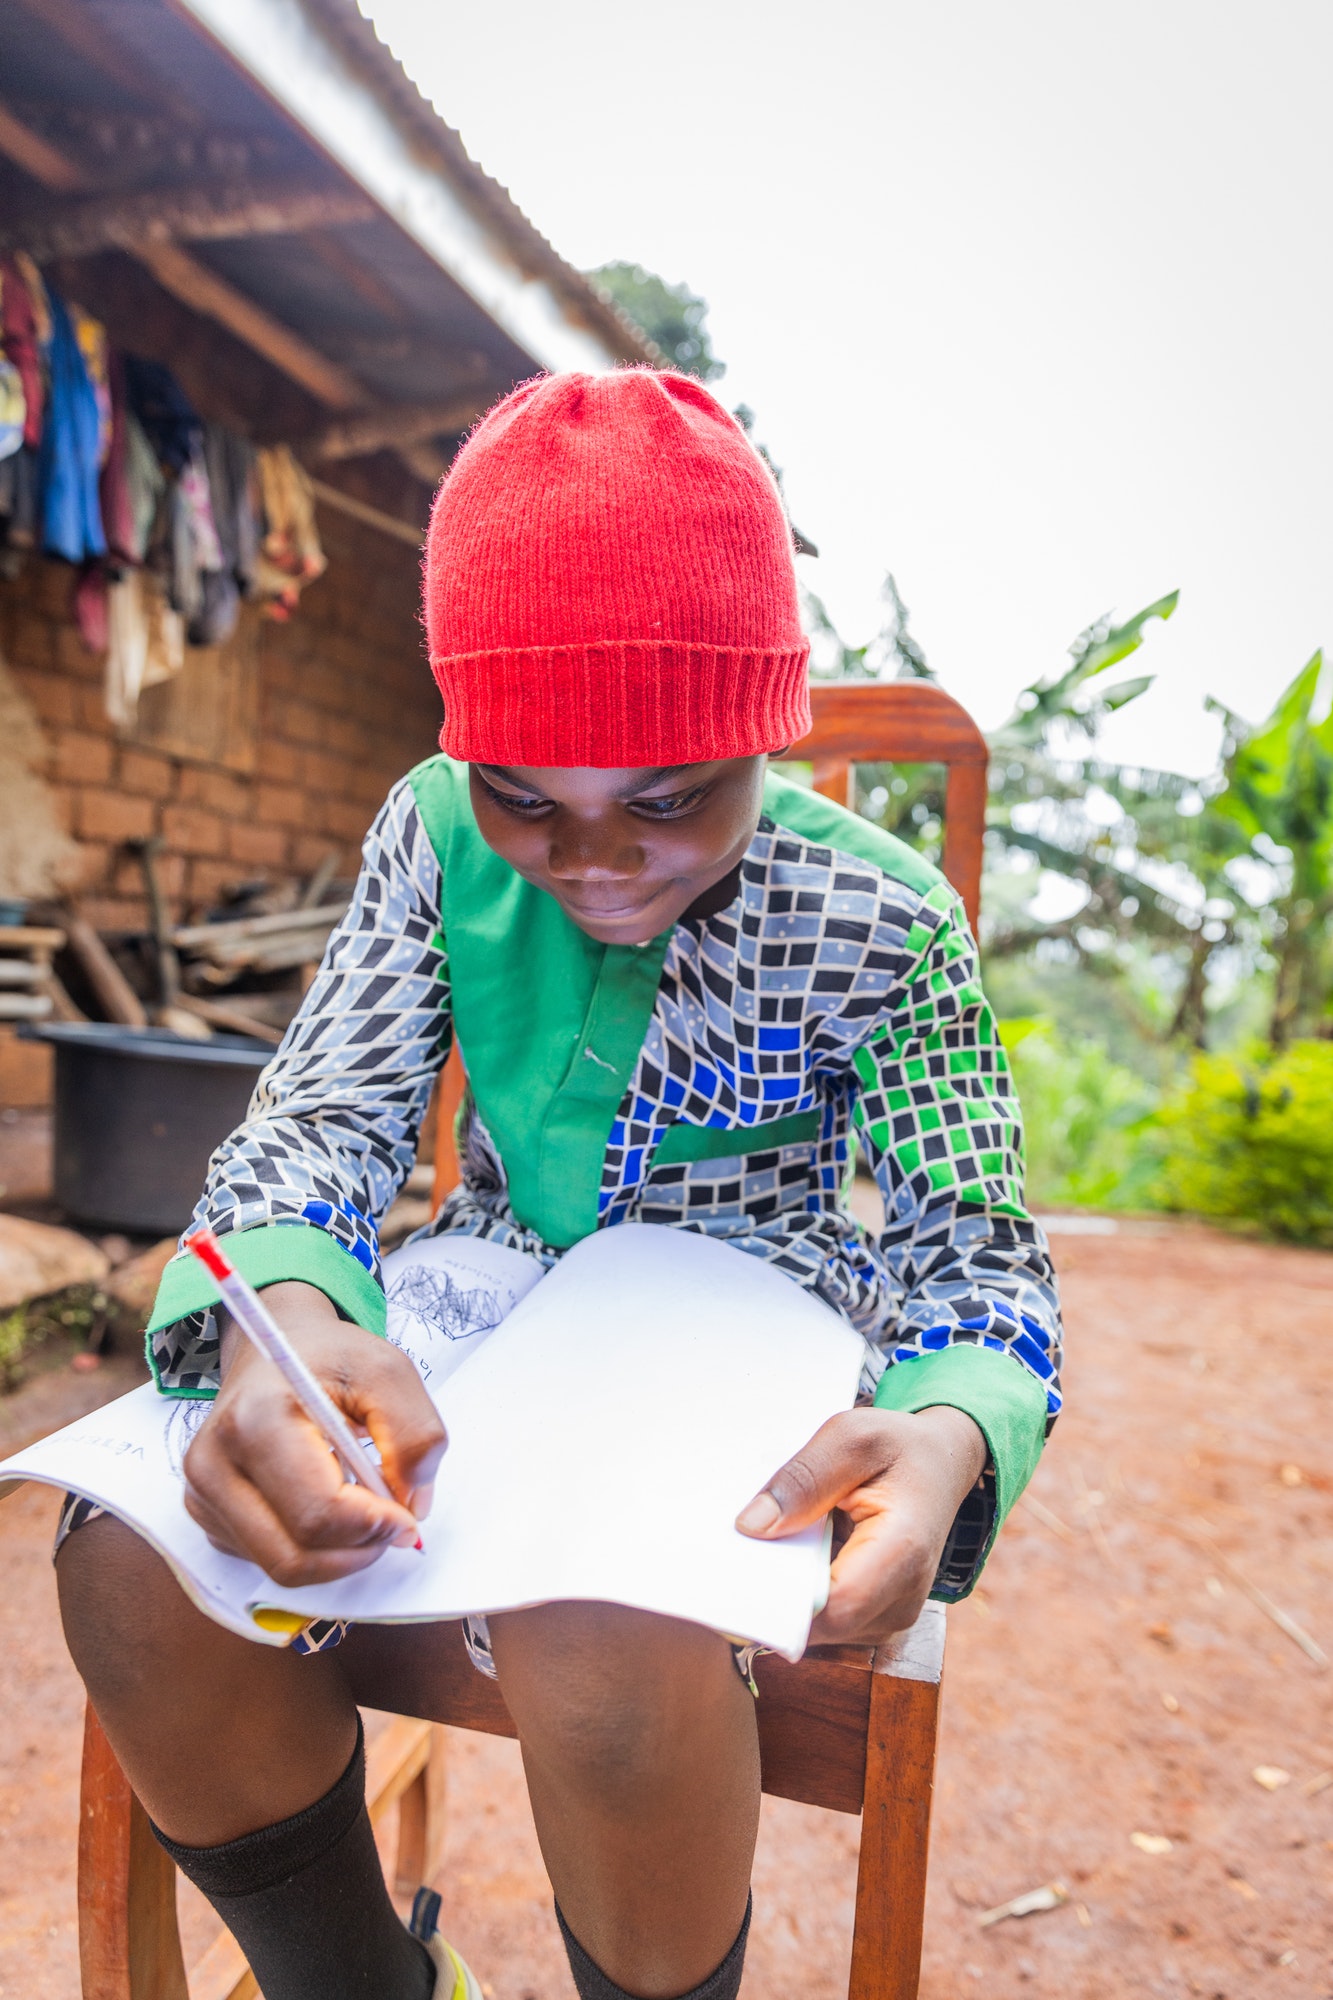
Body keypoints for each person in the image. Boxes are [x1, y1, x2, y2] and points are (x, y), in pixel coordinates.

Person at [56, 369, 1062, 2000]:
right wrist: (289, 1320)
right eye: (529, 800)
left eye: (668, 800)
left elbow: (979, 1263)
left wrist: (949, 1435)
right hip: (490, 1275)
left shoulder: (885, 923)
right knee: (132, 1553)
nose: (595, 863)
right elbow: (320, 1120)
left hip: (752, 1309)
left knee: (598, 1632)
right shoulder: (431, 830)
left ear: (765, 732)